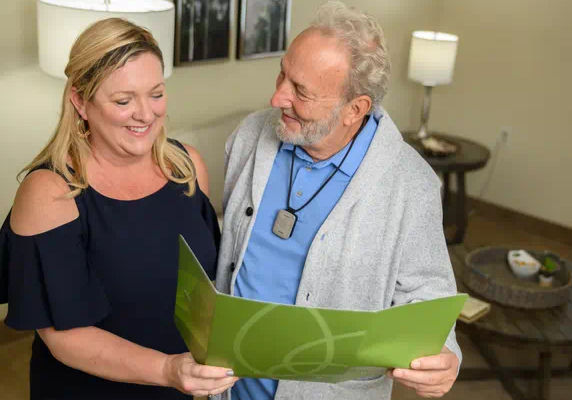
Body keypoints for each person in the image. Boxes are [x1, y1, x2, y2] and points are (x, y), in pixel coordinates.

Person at [216, 1, 461, 399]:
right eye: (283, 74)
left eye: (301, 91)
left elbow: (428, 293)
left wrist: (444, 355)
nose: (277, 96)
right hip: (229, 390)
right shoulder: (249, 136)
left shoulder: (411, 184)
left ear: (355, 109)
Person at [0, 18, 237, 399]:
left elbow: (202, 290)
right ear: (80, 101)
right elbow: (66, 337)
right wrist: (168, 369)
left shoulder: (186, 167)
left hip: (178, 387)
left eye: (156, 93)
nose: (146, 114)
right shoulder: (49, 193)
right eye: (124, 101)